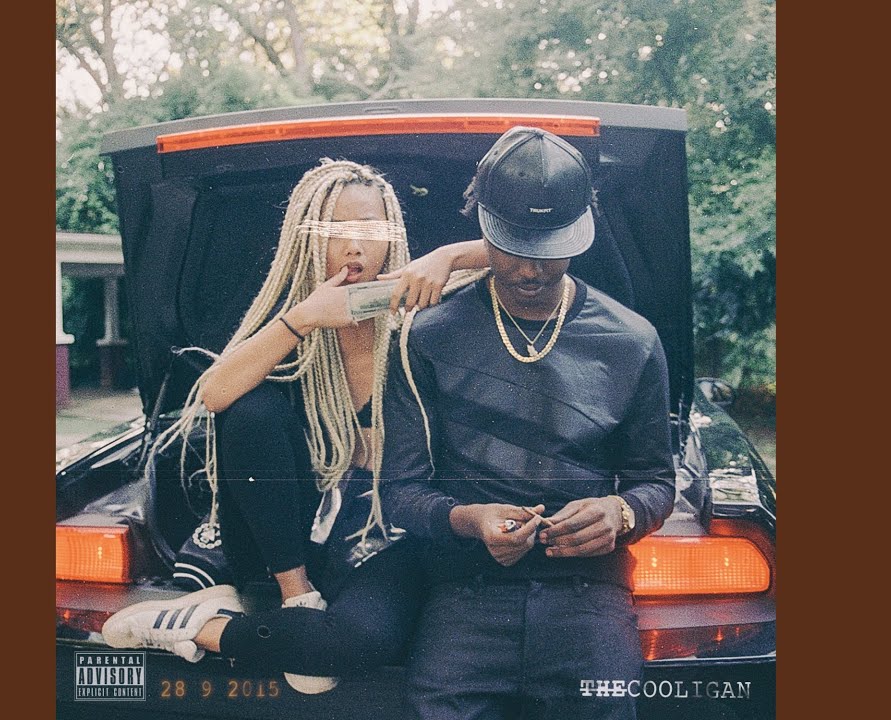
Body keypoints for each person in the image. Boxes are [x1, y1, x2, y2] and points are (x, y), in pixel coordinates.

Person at [100, 159, 489, 695]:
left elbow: (528, 256)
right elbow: (213, 394)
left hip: (388, 534)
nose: (354, 246)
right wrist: (304, 318)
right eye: (336, 230)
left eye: (370, 229)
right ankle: (297, 601)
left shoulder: (422, 313)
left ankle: (195, 626)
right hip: (288, 544)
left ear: (393, 236)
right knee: (249, 407)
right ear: (308, 239)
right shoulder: (295, 327)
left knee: (348, 650)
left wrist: (449, 256)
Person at [380, 127, 677, 720]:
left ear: (580, 234)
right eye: (512, 246)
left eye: (549, 249)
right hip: (466, 592)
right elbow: (399, 492)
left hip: (589, 595)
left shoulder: (633, 340)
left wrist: (621, 513)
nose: (529, 269)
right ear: (484, 230)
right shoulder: (426, 337)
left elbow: (657, 482)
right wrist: (469, 520)